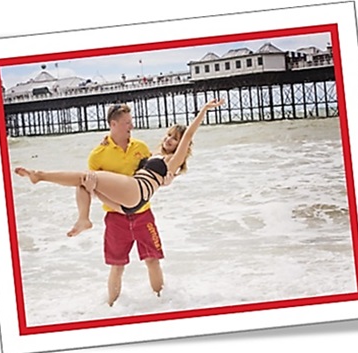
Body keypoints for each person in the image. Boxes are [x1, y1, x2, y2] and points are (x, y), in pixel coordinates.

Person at [14, 98, 224, 304]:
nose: (169, 139)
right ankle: (114, 304)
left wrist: (204, 109)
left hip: (137, 194)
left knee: (87, 177)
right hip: (125, 207)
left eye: (175, 139)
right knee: (86, 182)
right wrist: (97, 189)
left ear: (182, 147)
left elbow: (189, 135)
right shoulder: (150, 154)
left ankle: (39, 175)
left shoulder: (173, 160)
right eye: (169, 135)